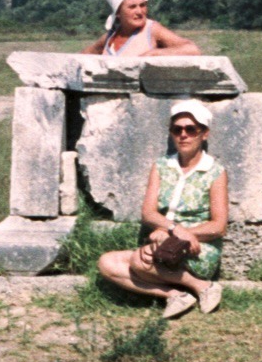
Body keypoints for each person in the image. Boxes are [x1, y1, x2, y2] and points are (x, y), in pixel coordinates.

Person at [97, 100, 226, 318]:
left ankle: (202, 285)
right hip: (163, 241)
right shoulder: (161, 166)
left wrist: (179, 234)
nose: (183, 135)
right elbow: (148, 213)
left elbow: (219, 226)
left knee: (140, 260)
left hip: (199, 247)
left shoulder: (215, 171)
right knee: (106, 263)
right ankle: (176, 295)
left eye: (190, 129)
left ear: (204, 134)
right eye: (177, 130)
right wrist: (173, 230)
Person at [81, 0, 201, 57]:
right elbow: (83, 56)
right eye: (132, 7)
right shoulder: (109, 37)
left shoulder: (152, 30)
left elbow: (192, 49)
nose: (140, 11)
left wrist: (155, 54)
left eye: (142, 5)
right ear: (118, 12)